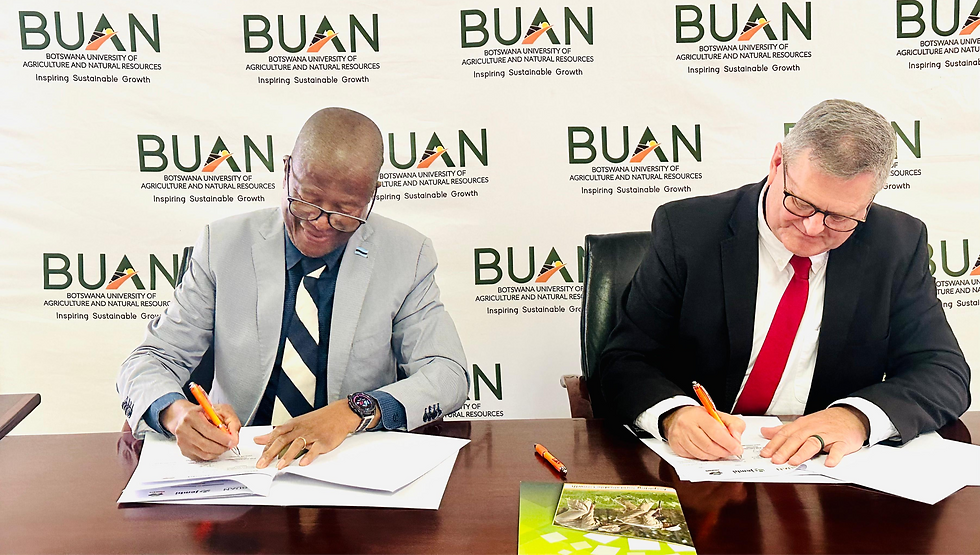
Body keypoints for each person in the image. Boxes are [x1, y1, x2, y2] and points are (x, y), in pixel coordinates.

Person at [600, 99, 971, 468]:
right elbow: (626, 359)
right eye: (800, 203)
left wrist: (855, 418)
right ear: (778, 163)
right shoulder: (687, 230)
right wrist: (673, 415)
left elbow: (943, 372)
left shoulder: (897, 244)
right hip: (703, 466)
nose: (812, 228)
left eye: (839, 217)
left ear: (869, 202)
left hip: (824, 471)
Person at [117, 108, 468, 468]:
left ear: (371, 195)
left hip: (351, 464)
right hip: (239, 462)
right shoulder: (222, 244)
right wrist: (176, 415)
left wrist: (353, 411)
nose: (320, 223)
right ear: (286, 170)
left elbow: (448, 374)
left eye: (345, 211)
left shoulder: (408, 255)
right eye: (306, 200)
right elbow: (149, 361)